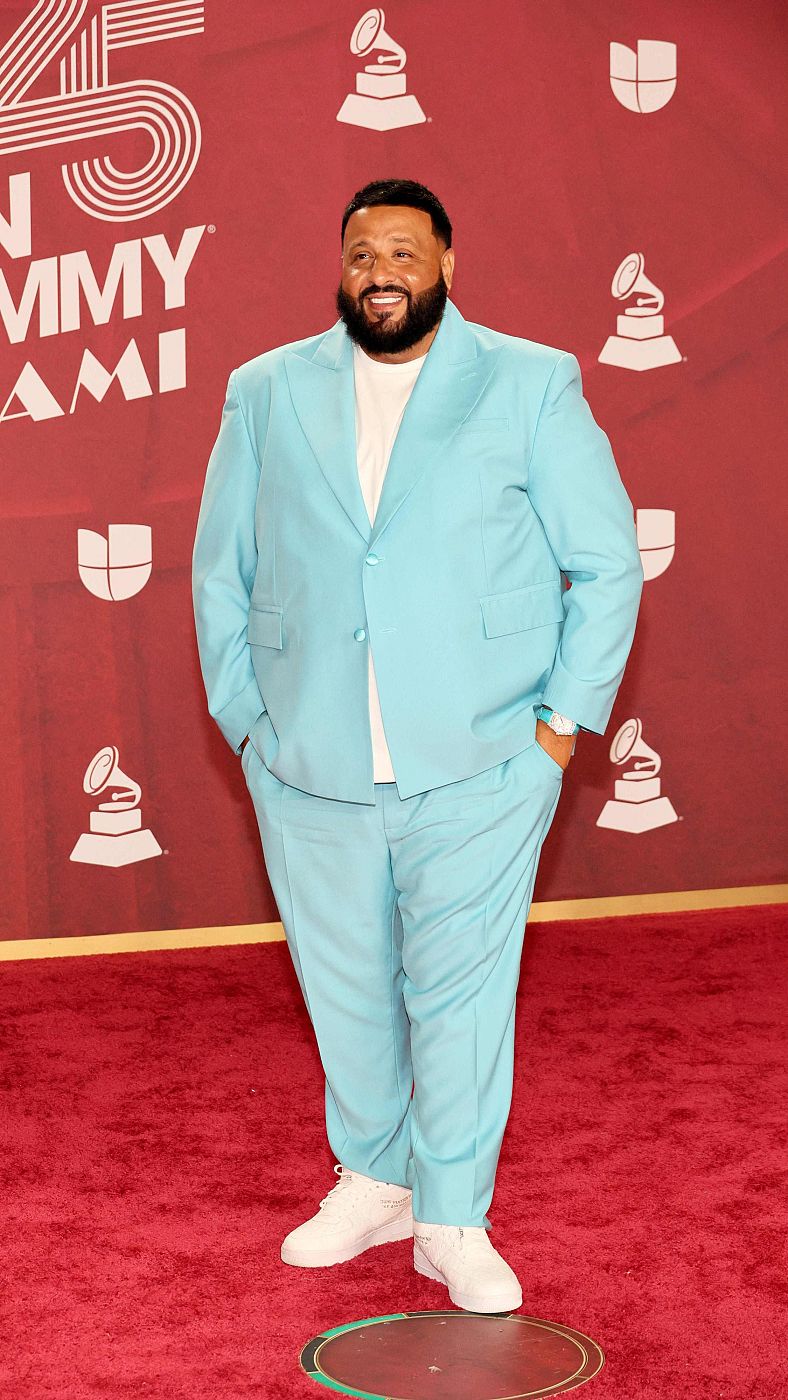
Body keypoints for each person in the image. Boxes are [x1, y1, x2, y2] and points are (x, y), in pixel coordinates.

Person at [192, 178, 644, 1314]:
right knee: (341, 987)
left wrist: (554, 732)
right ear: (338, 268)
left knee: (461, 996)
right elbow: (218, 573)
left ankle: (450, 1216)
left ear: (448, 259)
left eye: (402, 247)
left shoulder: (531, 382)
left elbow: (605, 561)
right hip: (307, 762)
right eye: (359, 250)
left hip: (486, 757)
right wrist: (249, 724)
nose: (378, 267)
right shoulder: (263, 390)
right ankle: (372, 1179)